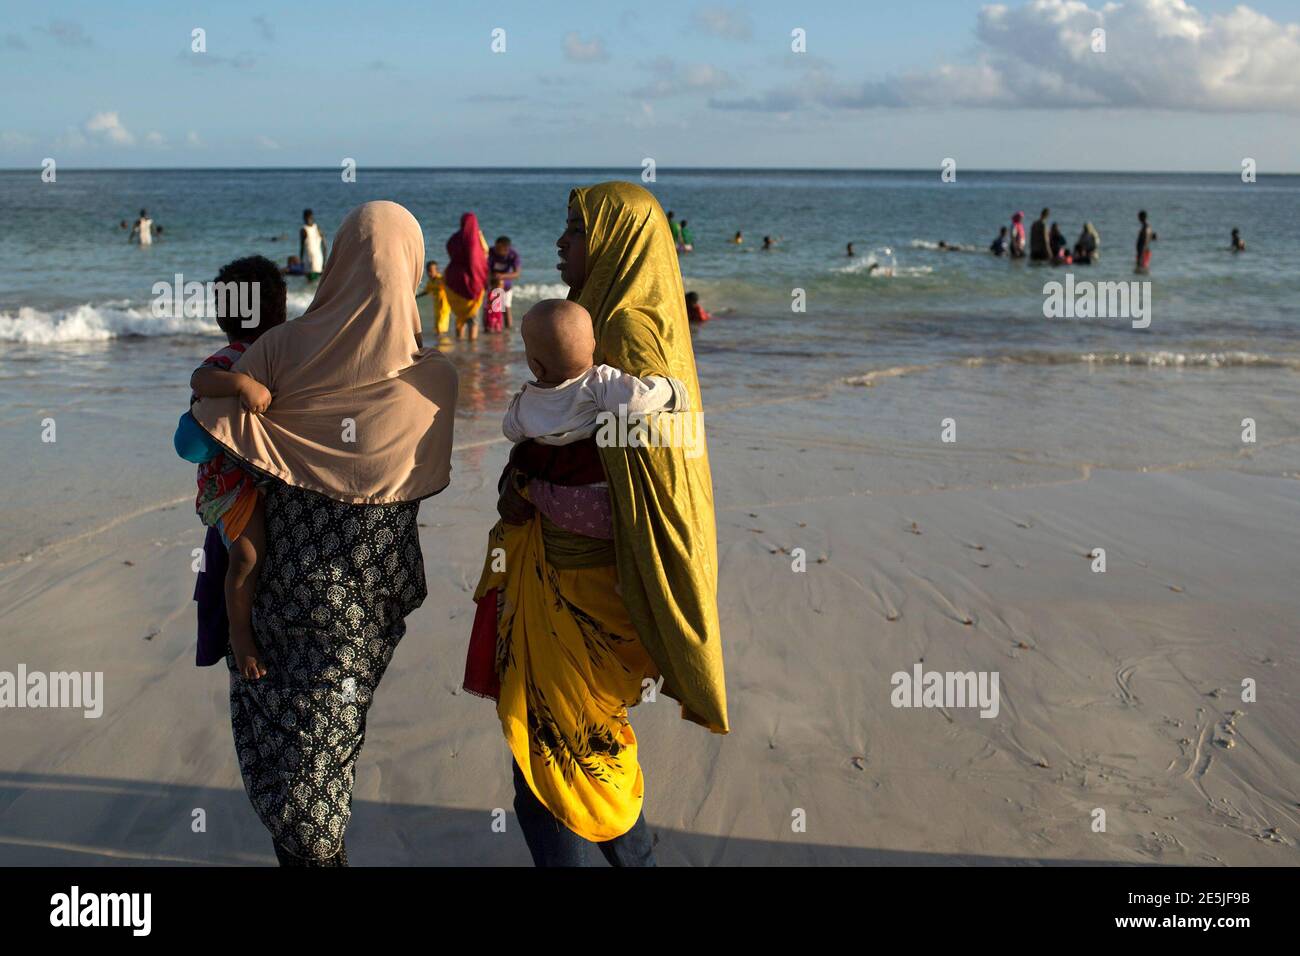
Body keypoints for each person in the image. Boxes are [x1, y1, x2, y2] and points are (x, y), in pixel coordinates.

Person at [467, 181, 728, 867]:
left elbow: (643, 484)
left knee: (547, 758)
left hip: (585, 584)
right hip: (567, 582)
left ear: (617, 243)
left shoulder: (627, 333)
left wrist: (531, 485)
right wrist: (521, 478)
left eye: (575, 230)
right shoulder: (601, 319)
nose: (560, 242)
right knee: (585, 743)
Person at [190, 201, 458, 866]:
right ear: (411, 273)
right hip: (364, 607)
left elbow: (208, 412)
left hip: (279, 589)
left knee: (289, 752)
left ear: (335, 260)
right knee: (329, 747)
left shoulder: (279, 349)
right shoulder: (436, 382)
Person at [173, 256, 288, 682]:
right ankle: (240, 635)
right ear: (279, 312)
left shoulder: (281, 355)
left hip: (256, 479)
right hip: (229, 488)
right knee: (247, 553)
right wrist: (241, 385)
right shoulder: (232, 359)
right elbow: (200, 380)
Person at [445, 212, 489, 340]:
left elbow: (449, 247)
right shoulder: (476, 239)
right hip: (472, 279)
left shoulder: (454, 238)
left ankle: (460, 345)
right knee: (473, 316)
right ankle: (472, 346)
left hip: (453, 277)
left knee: (459, 315)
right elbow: (478, 258)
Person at [487, 235, 522, 329]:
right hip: (491, 284)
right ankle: (488, 329)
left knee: (506, 308)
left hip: (505, 285)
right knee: (489, 309)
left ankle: (508, 332)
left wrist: (501, 276)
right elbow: (484, 268)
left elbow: (517, 274)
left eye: (499, 248)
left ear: (506, 248)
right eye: (496, 247)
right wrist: (491, 278)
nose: (496, 250)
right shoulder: (490, 252)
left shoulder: (513, 255)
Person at [415, 259, 452, 336]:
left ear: (436, 271)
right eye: (428, 271)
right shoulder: (430, 282)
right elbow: (426, 292)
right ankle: (440, 343)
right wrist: (415, 297)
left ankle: (443, 345)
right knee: (437, 328)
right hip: (437, 308)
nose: (429, 273)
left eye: (431, 271)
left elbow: (450, 285)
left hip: (444, 307)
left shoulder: (441, 279)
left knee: (440, 327)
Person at [299, 209, 326, 280]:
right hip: (319, 259)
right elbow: (325, 247)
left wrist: (301, 261)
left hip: (309, 259)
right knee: (317, 282)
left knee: (309, 282)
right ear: (312, 217)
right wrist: (324, 261)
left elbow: (302, 247)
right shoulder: (318, 228)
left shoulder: (303, 230)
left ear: (304, 217)